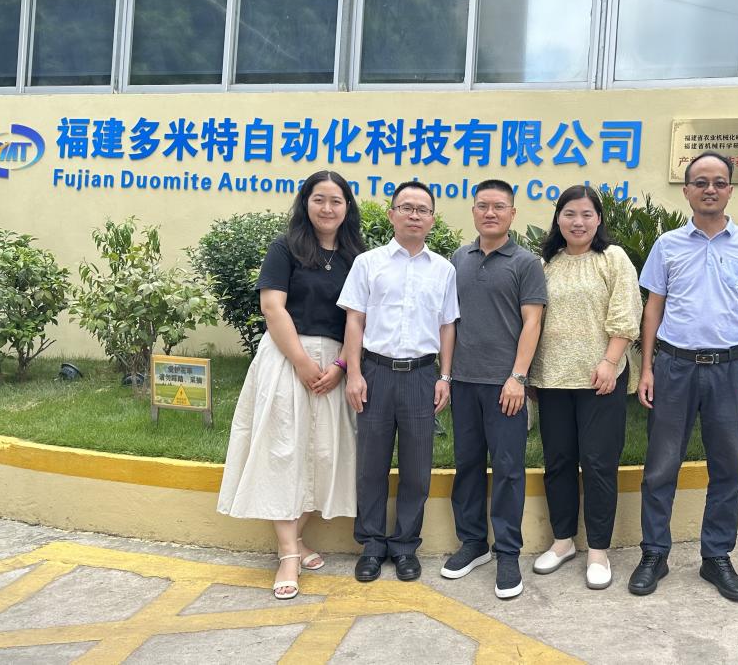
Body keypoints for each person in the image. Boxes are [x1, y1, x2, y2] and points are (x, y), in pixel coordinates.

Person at [628, 151, 738, 602]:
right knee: (660, 466)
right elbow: (653, 309)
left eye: (719, 182)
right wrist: (647, 368)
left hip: (729, 369)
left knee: (728, 466)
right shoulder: (667, 245)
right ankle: (654, 553)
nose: (710, 189)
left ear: (730, 189)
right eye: (701, 182)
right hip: (674, 367)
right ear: (687, 190)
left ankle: (716, 556)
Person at [217, 170, 366, 600]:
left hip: (336, 364)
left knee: (323, 454)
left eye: (336, 201)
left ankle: (297, 539)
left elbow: (359, 317)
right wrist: (301, 362)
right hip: (287, 358)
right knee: (283, 451)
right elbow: (272, 307)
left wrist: (341, 365)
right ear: (306, 203)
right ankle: (287, 554)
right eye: (319, 199)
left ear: (347, 207)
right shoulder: (285, 247)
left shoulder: (357, 256)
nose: (327, 208)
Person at [338, 181, 459, 583]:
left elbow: (447, 326)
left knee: (417, 468)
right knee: (370, 466)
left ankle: (405, 545)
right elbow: (354, 320)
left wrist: (444, 376)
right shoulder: (368, 263)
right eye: (406, 207)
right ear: (391, 214)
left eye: (422, 209)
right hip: (375, 373)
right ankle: (372, 545)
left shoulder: (443, 269)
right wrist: (354, 373)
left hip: (422, 376)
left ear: (432, 220)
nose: (414, 215)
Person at [528, 185, 641, 591]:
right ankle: (563, 542)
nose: (578, 222)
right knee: (558, 461)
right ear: (558, 218)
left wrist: (610, 362)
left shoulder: (613, 258)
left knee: (598, 463)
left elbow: (626, 313)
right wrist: (529, 374)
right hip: (552, 378)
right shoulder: (545, 263)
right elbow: (533, 320)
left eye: (587, 214)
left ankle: (597, 550)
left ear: (599, 219)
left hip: (601, 379)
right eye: (570, 214)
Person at [439, 179, 547, 599]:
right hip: (465, 382)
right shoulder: (458, 259)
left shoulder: (525, 263)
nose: (490, 213)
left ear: (512, 214)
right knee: (467, 464)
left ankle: (507, 551)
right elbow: (450, 320)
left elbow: (532, 322)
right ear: (473, 211)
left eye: (499, 206)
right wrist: (447, 375)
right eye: (483, 205)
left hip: (505, 386)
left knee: (507, 468)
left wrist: (518, 377)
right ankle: (473, 543)